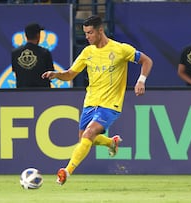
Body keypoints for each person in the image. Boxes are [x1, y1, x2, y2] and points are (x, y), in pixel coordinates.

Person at [41, 15, 153, 185]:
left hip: (111, 104)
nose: (87, 37)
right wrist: (56, 74)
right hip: (90, 102)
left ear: (101, 31)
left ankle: (66, 172)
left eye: (90, 33)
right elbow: (70, 74)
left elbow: (146, 61)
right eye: (85, 33)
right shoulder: (87, 52)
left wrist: (141, 80)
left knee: (89, 133)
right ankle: (111, 142)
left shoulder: (120, 49)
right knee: (84, 139)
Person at [12, 23, 55, 88]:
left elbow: (15, 70)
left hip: (21, 93)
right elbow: (50, 74)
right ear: (38, 35)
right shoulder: (44, 53)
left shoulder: (15, 53)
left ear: (26, 36)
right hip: (43, 92)